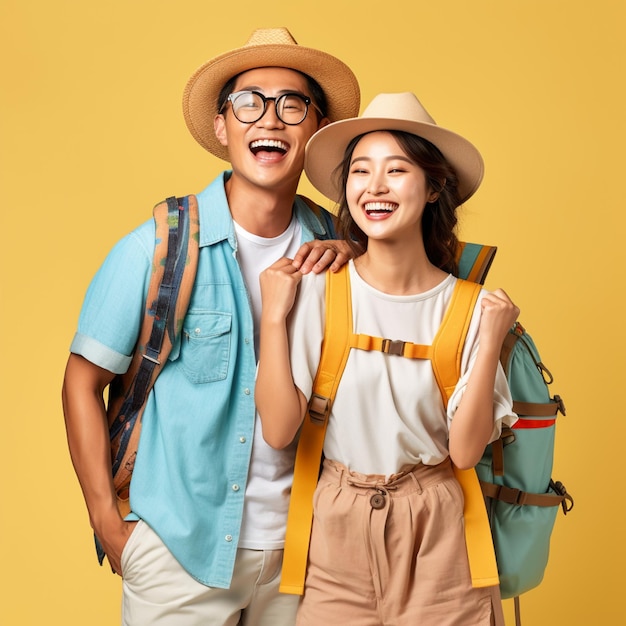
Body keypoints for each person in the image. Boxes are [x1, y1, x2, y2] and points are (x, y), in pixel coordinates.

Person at [61, 27, 360, 625]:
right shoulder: (158, 248)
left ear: (316, 132)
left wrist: (356, 254)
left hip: (308, 560)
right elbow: (80, 381)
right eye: (248, 102)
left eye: (292, 105)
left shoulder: (340, 251)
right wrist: (105, 519)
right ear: (223, 127)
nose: (269, 120)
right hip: (181, 553)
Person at [255, 92, 519, 625]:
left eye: (396, 170)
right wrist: (273, 318)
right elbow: (280, 430)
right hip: (336, 531)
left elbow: (466, 452)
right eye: (360, 171)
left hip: (441, 532)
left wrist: (490, 340)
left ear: (434, 187)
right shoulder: (320, 292)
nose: (374, 187)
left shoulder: (471, 308)